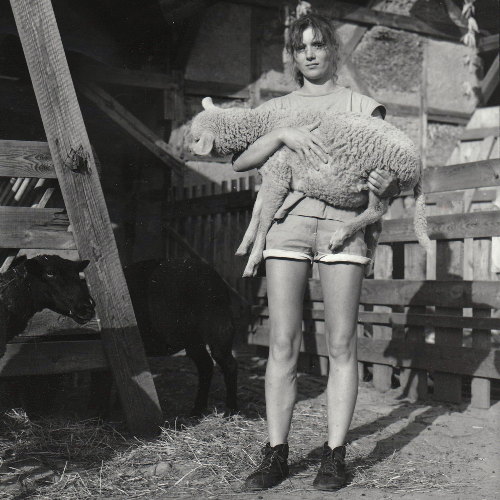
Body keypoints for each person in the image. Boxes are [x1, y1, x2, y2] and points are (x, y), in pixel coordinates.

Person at [233, 13, 399, 492]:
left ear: (333, 50)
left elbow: (390, 176)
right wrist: (282, 135)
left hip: (343, 229)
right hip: (288, 226)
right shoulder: (280, 107)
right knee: (283, 342)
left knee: (341, 344)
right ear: (292, 55)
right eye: (300, 47)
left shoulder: (364, 106)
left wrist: (384, 187)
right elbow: (240, 159)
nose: (309, 53)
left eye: (318, 45)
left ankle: (334, 455)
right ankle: (276, 453)